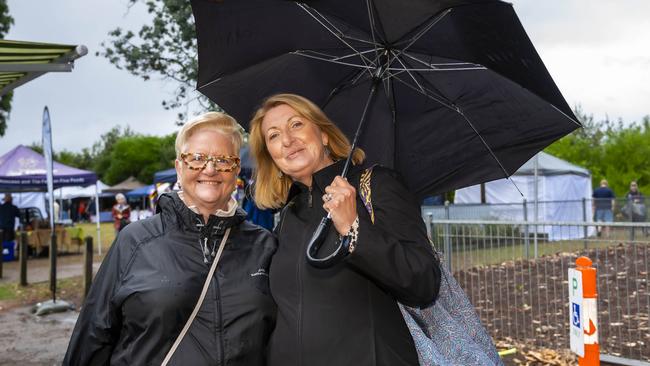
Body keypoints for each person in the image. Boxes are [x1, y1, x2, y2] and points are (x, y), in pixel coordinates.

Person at [64, 112, 277, 365]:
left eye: (223, 160)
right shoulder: (135, 241)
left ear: (236, 170)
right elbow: (94, 334)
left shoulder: (263, 246)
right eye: (196, 158)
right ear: (179, 167)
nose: (210, 169)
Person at [249, 93, 442, 366]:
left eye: (296, 125)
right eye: (274, 135)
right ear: (270, 155)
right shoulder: (288, 216)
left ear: (324, 135)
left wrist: (353, 227)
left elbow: (424, 284)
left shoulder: (376, 186)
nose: (287, 141)